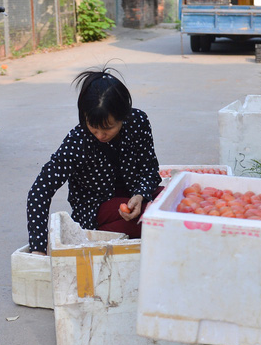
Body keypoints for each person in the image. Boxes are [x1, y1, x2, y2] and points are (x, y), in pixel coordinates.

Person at [26, 68, 162, 255]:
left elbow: (150, 171)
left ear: (123, 116)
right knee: (157, 220)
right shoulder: (77, 141)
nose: (100, 135)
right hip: (96, 210)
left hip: (135, 198)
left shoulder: (138, 122)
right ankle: (97, 234)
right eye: (93, 127)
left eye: (108, 128)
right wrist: (38, 249)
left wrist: (139, 195)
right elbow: (39, 191)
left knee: (171, 200)